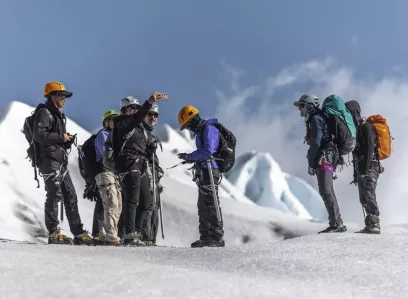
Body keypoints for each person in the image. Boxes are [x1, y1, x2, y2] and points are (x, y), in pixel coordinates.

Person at [33, 81, 95, 245]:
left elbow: (50, 137)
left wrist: (66, 141)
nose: (65, 99)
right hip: (49, 161)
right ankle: (54, 233)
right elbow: (40, 136)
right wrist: (62, 138)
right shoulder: (45, 113)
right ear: (53, 96)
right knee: (54, 195)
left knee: (71, 196)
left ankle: (78, 233)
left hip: (60, 161)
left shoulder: (58, 114)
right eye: (62, 96)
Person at [112, 92, 168, 246]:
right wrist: (149, 102)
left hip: (140, 163)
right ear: (123, 110)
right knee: (133, 199)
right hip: (128, 162)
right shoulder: (122, 123)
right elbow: (137, 119)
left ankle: (136, 232)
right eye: (131, 108)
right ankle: (130, 234)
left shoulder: (139, 128)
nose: (135, 110)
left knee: (147, 201)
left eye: (136, 108)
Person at [294, 94, 346, 234]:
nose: (300, 110)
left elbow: (316, 143)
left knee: (325, 190)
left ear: (310, 105)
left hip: (324, 157)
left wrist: (311, 163)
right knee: (328, 190)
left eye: (302, 106)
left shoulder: (316, 119)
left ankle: (336, 224)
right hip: (329, 156)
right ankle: (337, 222)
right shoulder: (319, 119)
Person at [176, 105, 225, 247]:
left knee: (211, 203)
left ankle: (216, 236)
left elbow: (208, 150)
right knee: (203, 205)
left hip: (211, 170)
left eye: (187, 125)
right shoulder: (201, 132)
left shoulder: (209, 129)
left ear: (192, 119)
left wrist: (191, 156)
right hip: (204, 170)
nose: (188, 128)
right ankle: (206, 237)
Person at [345, 100, 381, 234]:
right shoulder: (356, 129)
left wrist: (365, 168)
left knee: (368, 192)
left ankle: (374, 222)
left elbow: (370, 147)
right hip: (362, 167)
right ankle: (370, 223)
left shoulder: (365, 127)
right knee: (363, 196)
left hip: (370, 165)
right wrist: (356, 173)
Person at [135, 104, 165, 246]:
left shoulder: (150, 134)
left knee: (154, 207)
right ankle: (144, 236)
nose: (153, 117)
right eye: (150, 114)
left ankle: (151, 238)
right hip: (144, 173)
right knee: (148, 205)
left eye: (155, 115)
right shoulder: (140, 131)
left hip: (153, 174)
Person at [94, 109, 123, 245]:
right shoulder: (104, 135)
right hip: (105, 172)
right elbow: (107, 155)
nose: (114, 122)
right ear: (106, 122)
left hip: (113, 174)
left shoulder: (114, 136)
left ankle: (106, 234)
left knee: (117, 206)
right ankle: (111, 236)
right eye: (112, 120)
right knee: (111, 204)